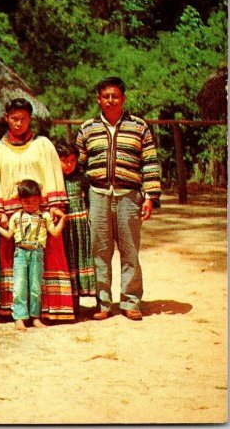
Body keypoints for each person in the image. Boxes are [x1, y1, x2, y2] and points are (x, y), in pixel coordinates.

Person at [75, 77, 161, 321]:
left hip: (129, 196)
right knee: (99, 251)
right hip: (98, 195)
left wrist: (150, 197)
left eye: (115, 96)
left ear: (123, 98)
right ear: (98, 99)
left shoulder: (139, 127)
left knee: (130, 250)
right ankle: (103, 303)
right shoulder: (87, 129)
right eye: (106, 96)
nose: (110, 100)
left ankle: (130, 301)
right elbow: (79, 166)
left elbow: (150, 162)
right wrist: (80, 196)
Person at [0, 97, 75, 323]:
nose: (18, 123)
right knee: (13, 262)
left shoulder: (43, 145)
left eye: (23, 119)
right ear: (6, 118)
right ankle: (13, 312)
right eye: (14, 118)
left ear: (30, 119)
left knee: (46, 260)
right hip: (12, 215)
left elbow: (53, 172)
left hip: (40, 213)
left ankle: (47, 311)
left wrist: (55, 205)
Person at [0, 179, 66, 330]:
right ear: (20, 201)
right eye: (26, 202)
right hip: (20, 253)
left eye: (34, 201)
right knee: (19, 286)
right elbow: (8, 235)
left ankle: (35, 317)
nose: (31, 204)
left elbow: (55, 233)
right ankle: (19, 318)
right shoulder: (16, 217)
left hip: (37, 253)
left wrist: (63, 218)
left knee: (35, 286)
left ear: (39, 199)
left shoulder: (44, 217)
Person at [55, 140, 97, 311]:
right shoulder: (54, 179)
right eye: (64, 160)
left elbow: (89, 200)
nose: (68, 165)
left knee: (84, 259)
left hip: (80, 227)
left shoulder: (81, 178)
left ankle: (95, 300)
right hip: (64, 227)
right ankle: (72, 304)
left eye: (72, 161)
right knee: (69, 261)